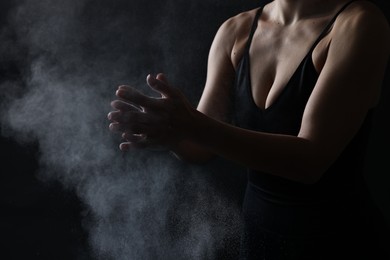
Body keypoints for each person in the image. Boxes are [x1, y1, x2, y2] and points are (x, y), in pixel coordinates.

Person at [108, 0, 390, 259]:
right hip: (259, 240)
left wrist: (192, 126)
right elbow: (201, 147)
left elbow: (309, 161)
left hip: (338, 242)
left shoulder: (358, 24)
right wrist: (171, 136)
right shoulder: (236, 30)